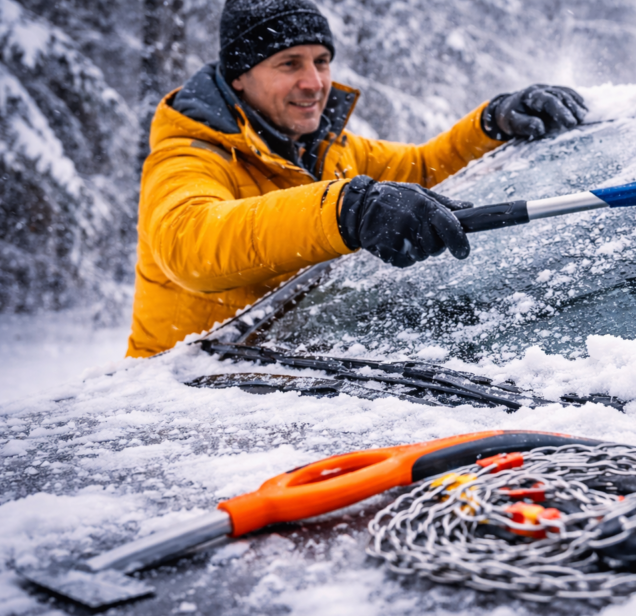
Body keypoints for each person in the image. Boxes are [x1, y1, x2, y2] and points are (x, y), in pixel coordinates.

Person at [127, 0, 587, 357]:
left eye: (322, 61)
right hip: (182, 403)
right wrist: (349, 209)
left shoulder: (328, 150)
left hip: (291, 383)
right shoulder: (188, 155)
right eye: (290, 63)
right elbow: (189, 244)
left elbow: (424, 168)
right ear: (239, 77)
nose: (314, 82)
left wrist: (492, 123)